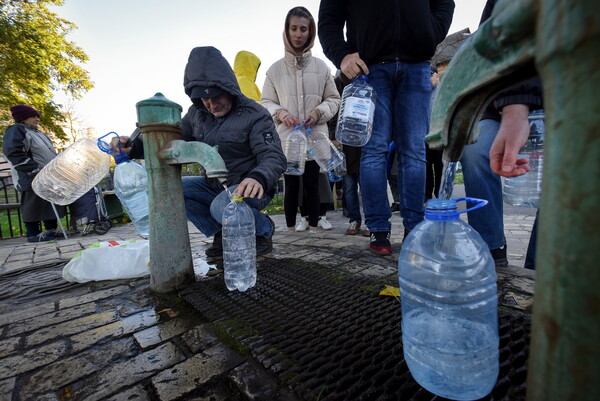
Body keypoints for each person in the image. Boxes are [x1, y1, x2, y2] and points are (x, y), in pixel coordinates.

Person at [114, 46, 286, 257]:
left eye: (216, 97)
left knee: (221, 205)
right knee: (176, 189)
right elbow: (171, 143)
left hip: (251, 186)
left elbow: (274, 156)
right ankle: (221, 234)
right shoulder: (196, 114)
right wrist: (135, 147)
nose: (212, 105)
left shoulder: (255, 114)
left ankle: (263, 229)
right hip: (214, 184)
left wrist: (258, 177)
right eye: (205, 100)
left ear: (229, 87)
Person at [318, 0, 455, 255]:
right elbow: (329, 19)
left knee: (414, 150)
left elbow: (444, 3)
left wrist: (430, 33)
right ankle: (379, 229)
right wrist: (342, 54)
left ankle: (414, 229)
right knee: (373, 151)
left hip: (416, 65)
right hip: (370, 68)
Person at [460, 0, 542, 267]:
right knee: (475, 149)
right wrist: (514, 105)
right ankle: (490, 248)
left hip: (564, 100)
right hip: (501, 101)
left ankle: (539, 269)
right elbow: (496, 41)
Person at [260, 6, 340, 234]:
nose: (298, 34)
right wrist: (281, 114)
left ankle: (314, 227)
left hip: (315, 138)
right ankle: (290, 229)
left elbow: (334, 99)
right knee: (291, 186)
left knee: (314, 184)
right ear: (286, 31)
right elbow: (265, 102)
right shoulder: (274, 70)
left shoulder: (322, 67)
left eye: (303, 29)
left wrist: (317, 113)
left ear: (310, 32)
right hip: (287, 140)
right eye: (293, 28)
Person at [2, 105, 66, 242]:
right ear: (23, 118)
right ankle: (33, 234)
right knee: (33, 204)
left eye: (38, 116)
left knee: (49, 201)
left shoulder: (37, 132)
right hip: (30, 174)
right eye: (34, 116)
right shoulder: (17, 130)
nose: (37, 119)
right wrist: (33, 168)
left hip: (47, 174)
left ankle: (51, 230)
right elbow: (14, 152)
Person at [425, 65, 444, 201]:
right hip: (423, 137)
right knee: (425, 168)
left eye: (431, 75)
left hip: (439, 137)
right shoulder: (420, 94)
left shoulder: (443, 92)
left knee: (440, 166)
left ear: (437, 76)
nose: (428, 78)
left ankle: (440, 193)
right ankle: (426, 194)